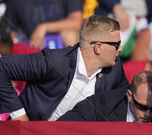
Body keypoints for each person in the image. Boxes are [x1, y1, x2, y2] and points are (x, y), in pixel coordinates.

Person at [0, 15, 129, 121]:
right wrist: (19, 115)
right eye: (116, 44)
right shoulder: (54, 61)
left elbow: (124, 100)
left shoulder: (114, 69)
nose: (120, 49)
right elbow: (2, 67)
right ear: (98, 47)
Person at [58, 71, 152, 123]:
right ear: (129, 96)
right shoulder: (102, 105)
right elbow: (63, 125)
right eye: (141, 106)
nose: (147, 114)